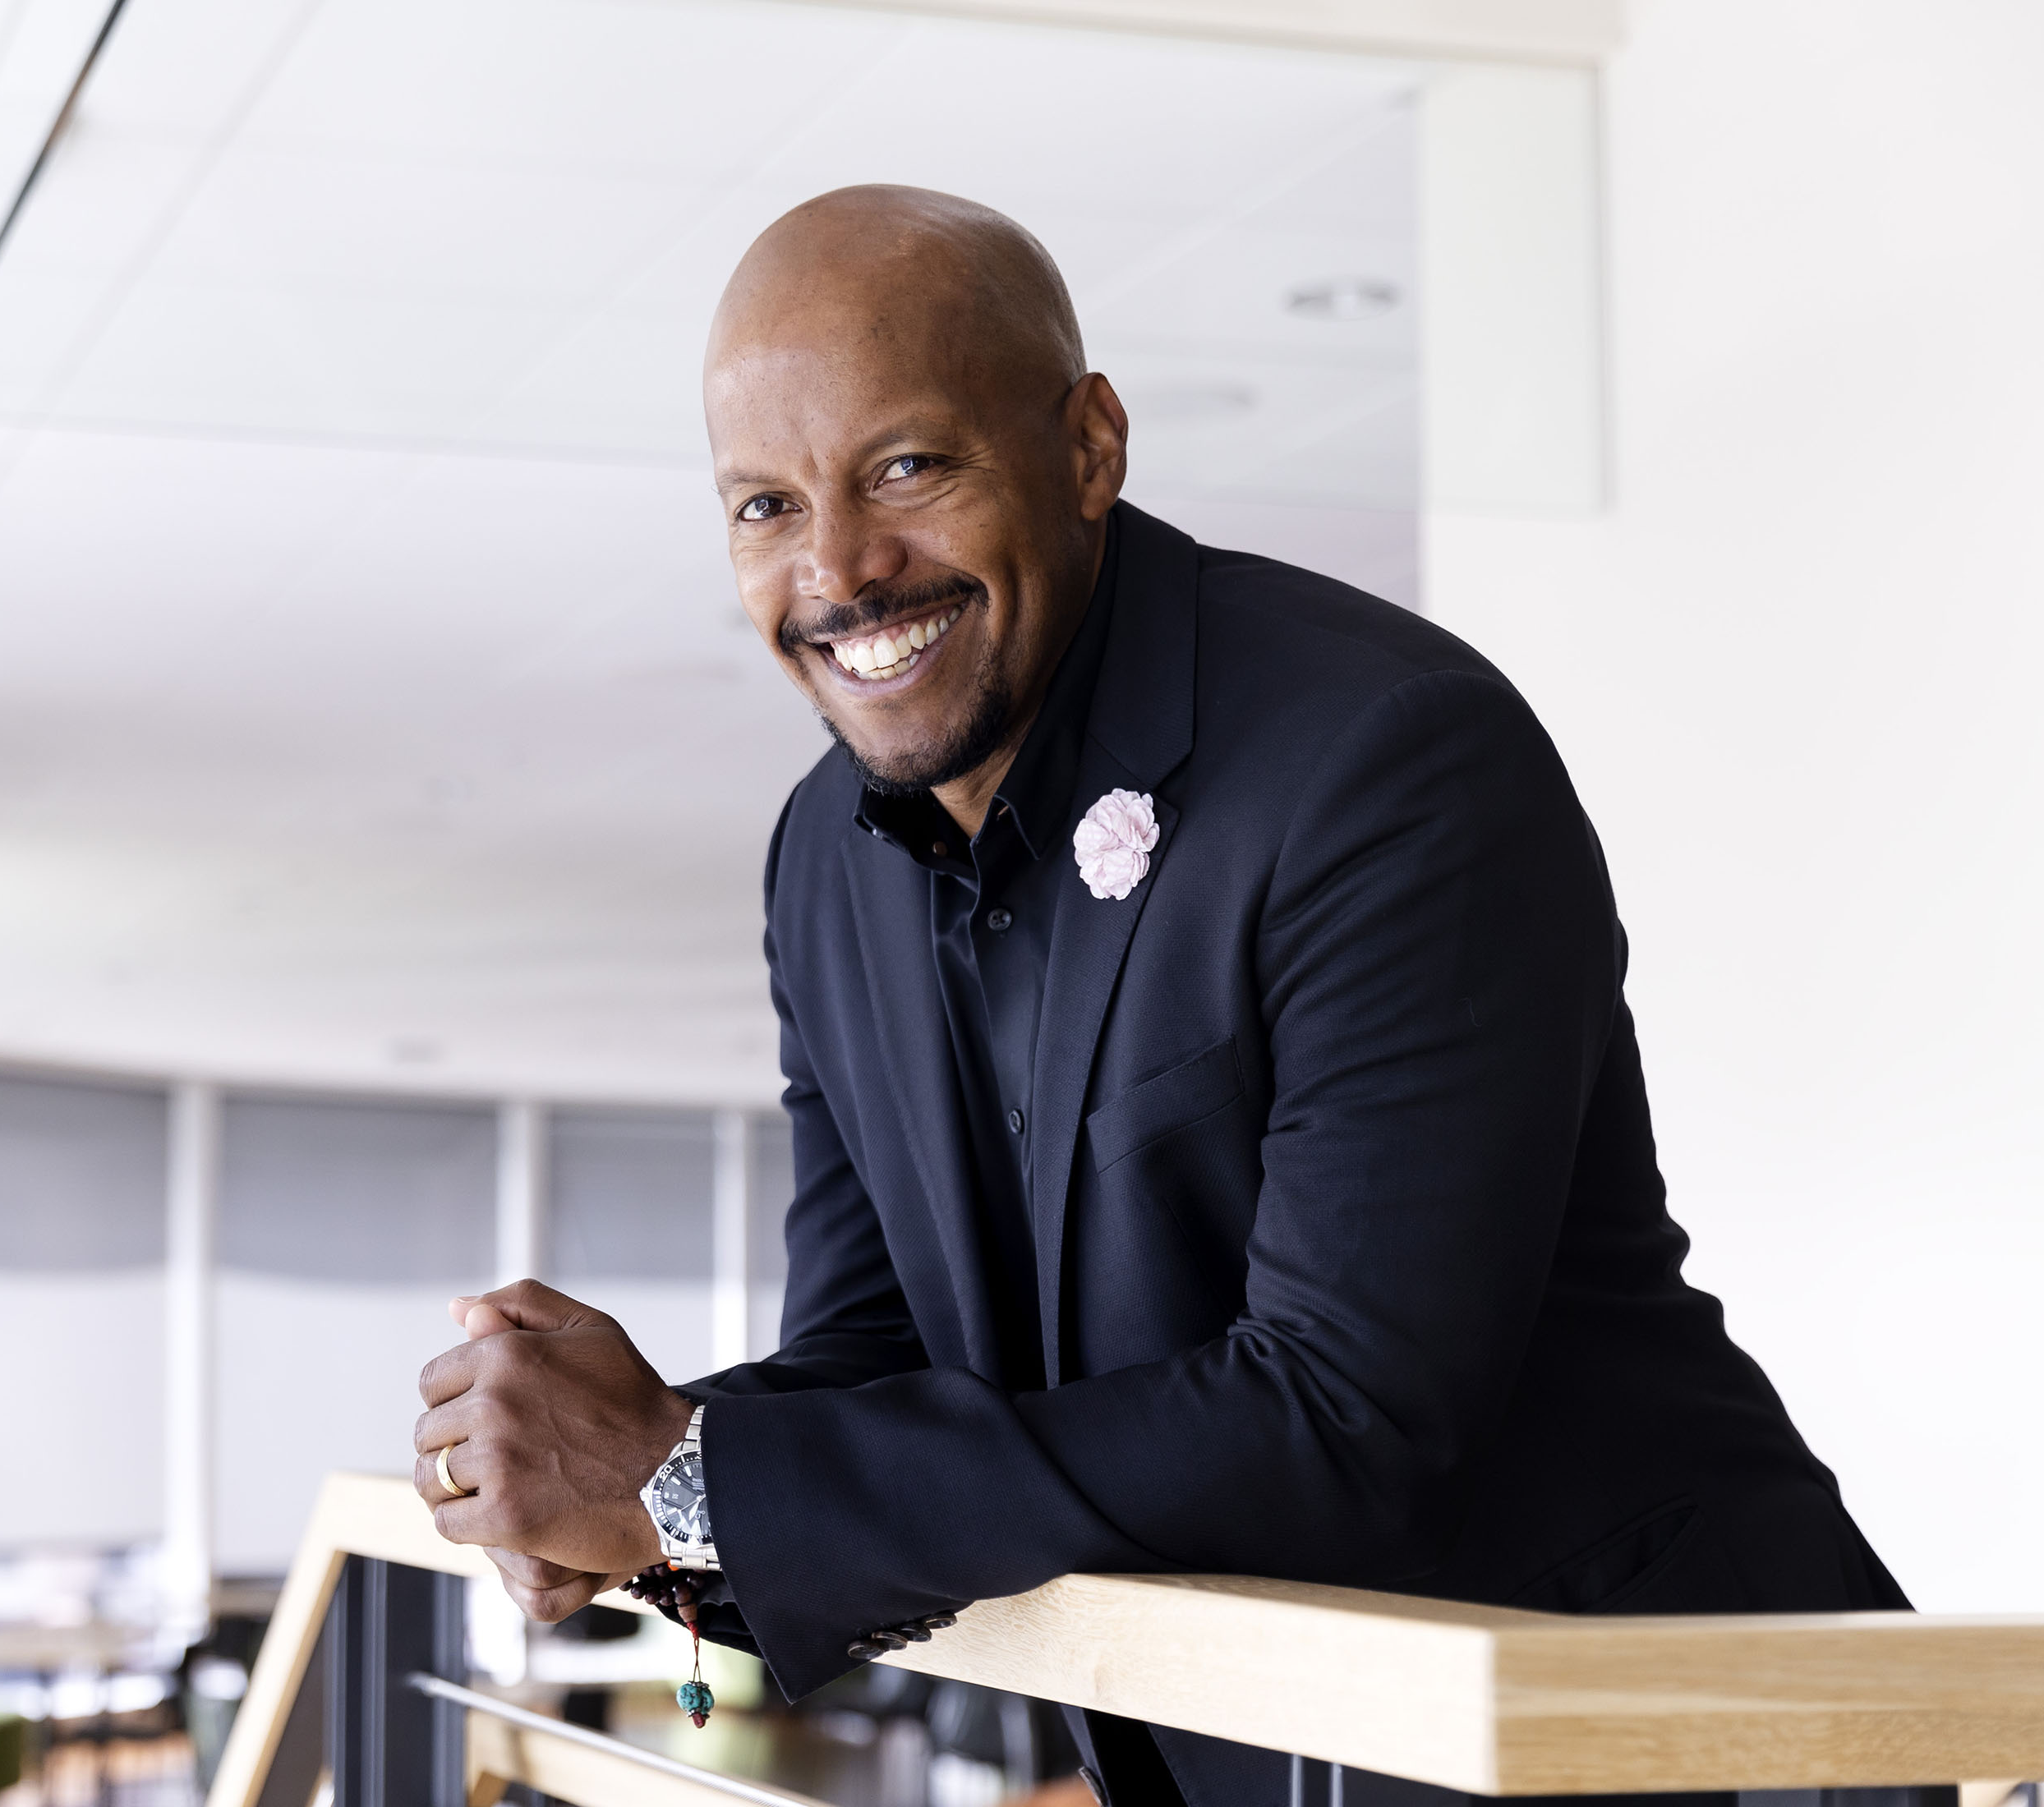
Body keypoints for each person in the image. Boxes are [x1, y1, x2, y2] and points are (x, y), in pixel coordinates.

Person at [409, 185, 1905, 1807]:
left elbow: (1343, 1411)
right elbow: (879, 1344)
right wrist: (595, 1470)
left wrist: (683, 1488)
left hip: (1649, 1740)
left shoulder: (1386, 761)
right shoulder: (822, 857)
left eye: (906, 467)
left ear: (1089, 448)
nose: (839, 566)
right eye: (766, 504)